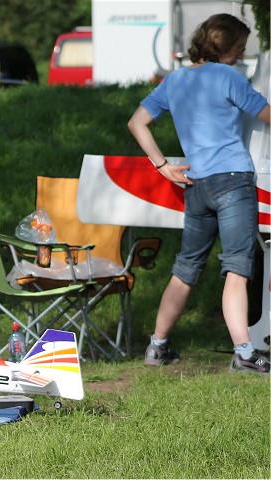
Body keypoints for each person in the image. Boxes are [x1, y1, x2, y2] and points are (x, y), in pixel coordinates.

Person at [127, 13, 270, 374]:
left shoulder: (175, 80)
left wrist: (162, 166)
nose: (240, 56)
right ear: (227, 47)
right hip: (233, 181)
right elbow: (265, 114)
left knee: (187, 267)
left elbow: (136, 122)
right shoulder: (228, 77)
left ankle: (157, 346)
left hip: (196, 183)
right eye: (238, 48)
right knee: (237, 267)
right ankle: (244, 353)